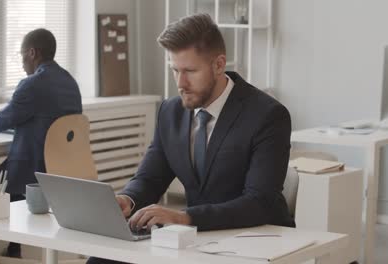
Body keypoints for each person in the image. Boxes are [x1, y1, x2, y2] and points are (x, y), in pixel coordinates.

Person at [87, 13, 294, 264]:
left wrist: (184, 217)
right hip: (195, 240)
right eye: (175, 70)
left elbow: (259, 202)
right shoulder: (169, 112)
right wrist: (127, 200)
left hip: (254, 240)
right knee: (102, 260)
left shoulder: (268, 115)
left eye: (190, 71)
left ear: (219, 65)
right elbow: (150, 178)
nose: (180, 82)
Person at [0, 28, 82, 264]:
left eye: (22, 56)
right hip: (60, 171)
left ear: (32, 53)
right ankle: (14, 249)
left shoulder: (32, 84)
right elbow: (43, 124)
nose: (22, 63)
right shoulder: (70, 83)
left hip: (30, 174)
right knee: (12, 186)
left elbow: (2, 120)